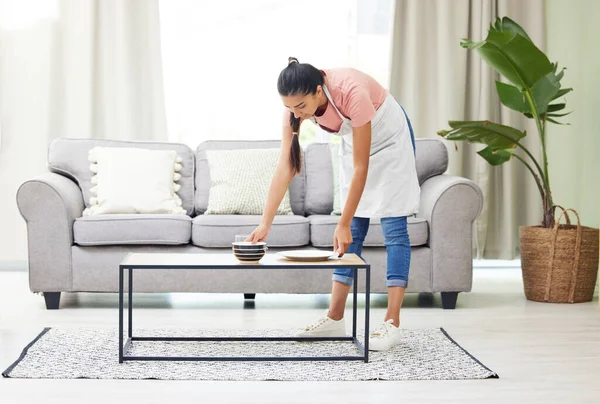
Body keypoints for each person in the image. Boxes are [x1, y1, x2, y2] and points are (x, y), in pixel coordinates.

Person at [246, 57, 420, 351]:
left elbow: (361, 167)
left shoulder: (352, 92)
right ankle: (335, 317)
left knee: (393, 228)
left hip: (390, 143)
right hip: (358, 143)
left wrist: (342, 223)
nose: (295, 114)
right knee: (353, 230)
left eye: (300, 107)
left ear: (318, 91)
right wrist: (265, 223)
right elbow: (285, 167)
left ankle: (392, 322)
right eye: (289, 108)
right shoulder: (294, 109)